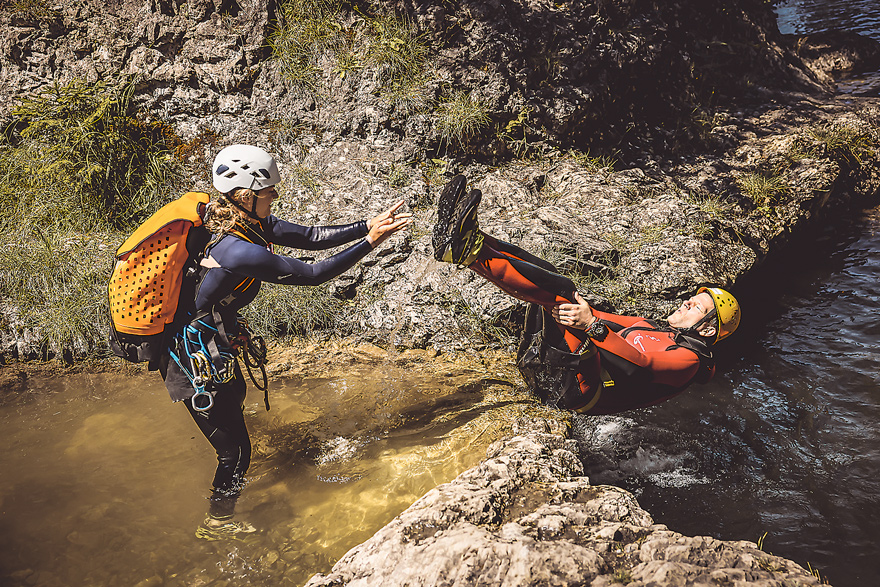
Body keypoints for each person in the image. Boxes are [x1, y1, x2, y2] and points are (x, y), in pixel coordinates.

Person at [160, 144, 412, 541]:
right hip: (189, 359)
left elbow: (310, 237)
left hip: (211, 342)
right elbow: (312, 273)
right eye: (269, 191)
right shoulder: (237, 249)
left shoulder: (233, 219)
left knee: (236, 402)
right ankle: (217, 523)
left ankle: (222, 504)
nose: (275, 196)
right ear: (245, 195)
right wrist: (371, 242)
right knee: (235, 453)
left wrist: (366, 225)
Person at [431, 174, 741, 414]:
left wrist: (589, 323)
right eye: (692, 299)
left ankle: (466, 251)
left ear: (708, 328)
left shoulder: (689, 360)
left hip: (578, 393)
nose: (686, 302)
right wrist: (588, 313)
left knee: (562, 294)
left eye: (697, 307)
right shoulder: (656, 327)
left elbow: (640, 366)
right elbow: (607, 319)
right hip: (567, 372)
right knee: (564, 287)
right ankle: (471, 237)